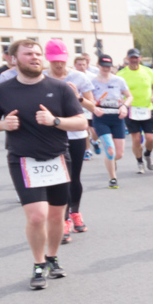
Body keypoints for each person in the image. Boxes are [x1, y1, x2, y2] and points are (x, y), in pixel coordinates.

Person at [0, 40, 88, 289]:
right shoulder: (2, 91)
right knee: (37, 216)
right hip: (23, 159)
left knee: (57, 216)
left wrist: (55, 121)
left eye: (38, 54)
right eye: (28, 54)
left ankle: (52, 256)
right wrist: (2, 125)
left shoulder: (60, 88)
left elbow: (81, 122)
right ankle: (38, 264)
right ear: (15, 59)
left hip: (58, 158)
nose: (35, 57)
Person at [45, 39, 95, 239]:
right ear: (48, 59)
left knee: (74, 177)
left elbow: (93, 106)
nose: (59, 64)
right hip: (53, 134)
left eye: (62, 60)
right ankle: (63, 219)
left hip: (76, 134)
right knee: (60, 179)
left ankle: (75, 213)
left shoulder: (79, 77)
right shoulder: (42, 78)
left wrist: (79, 97)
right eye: (55, 60)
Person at [89, 54, 132, 189]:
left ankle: (111, 162)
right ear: (98, 65)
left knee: (119, 154)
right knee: (110, 150)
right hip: (101, 118)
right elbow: (88, 99)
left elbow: (129, 96)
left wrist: (125, 106)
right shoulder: (92, 81)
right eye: (103, 66)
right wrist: (94, 108)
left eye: (108, 66)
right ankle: (113, 178)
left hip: (117, 117)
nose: (106, 69)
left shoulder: (118, 80)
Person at [117, 48, 153, 174]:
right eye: (131, 58)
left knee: (150, 138)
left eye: (136, 57)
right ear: (127, 58)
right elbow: (117, 91)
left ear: (140, 58)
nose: (134, 60)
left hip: (147, 109)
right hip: (131, 110)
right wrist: (121, 102)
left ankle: (147, 154)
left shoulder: (148, 71)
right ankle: (140, 161)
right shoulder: (121, 74)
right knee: (136, 139)